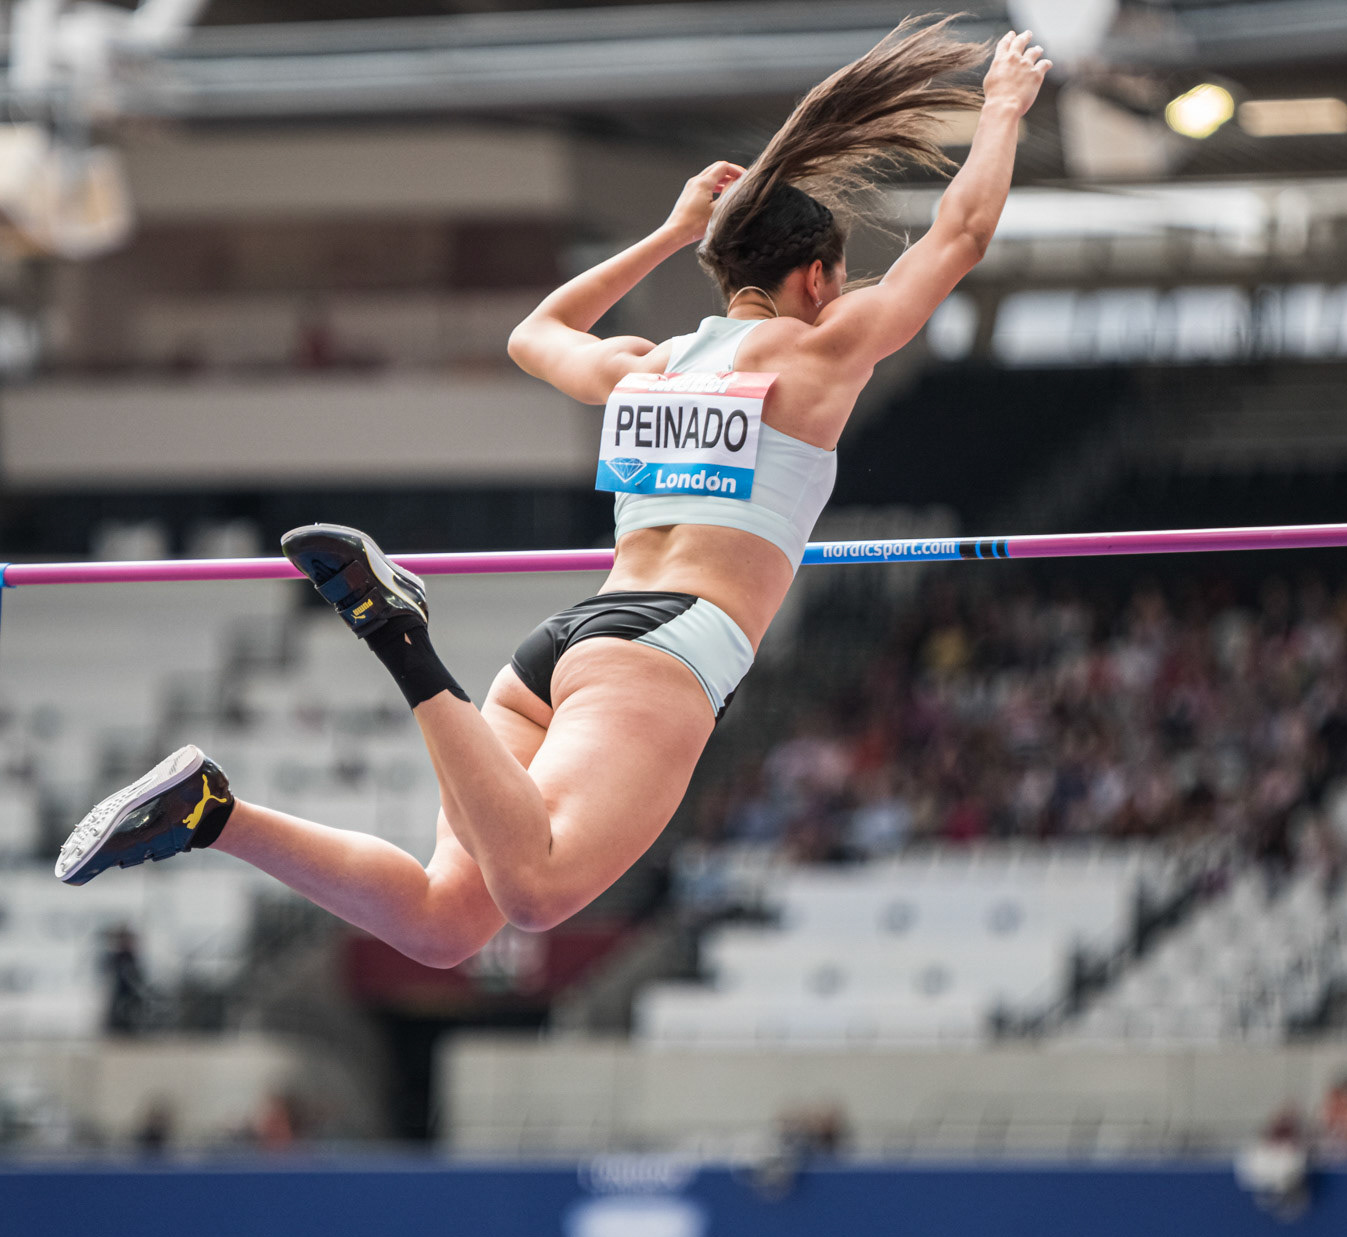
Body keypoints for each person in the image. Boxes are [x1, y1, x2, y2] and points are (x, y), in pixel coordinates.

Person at [55, 21, 1052, 964]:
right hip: (668, 647)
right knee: (536, 893)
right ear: (820, 278)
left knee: (448, 922)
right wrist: (1003, 107)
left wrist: (667, 235)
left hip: (571, 643)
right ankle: (399, 636)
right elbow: (959, 235)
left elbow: (534, 333)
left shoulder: (651, 365)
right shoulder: (825, 348)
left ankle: (209, 812)